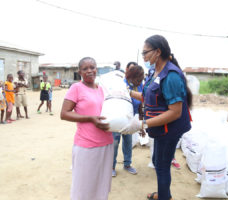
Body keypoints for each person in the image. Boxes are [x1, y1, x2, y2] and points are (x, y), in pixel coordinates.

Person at [121, 35, 192, 200]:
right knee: (158, 161)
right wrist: (128, 93)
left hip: (170, 129)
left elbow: (175, 112)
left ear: (158, 52)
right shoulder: (154, 72)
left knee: (161, 166)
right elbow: (148, 96)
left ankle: (164, 197)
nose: (143, 57)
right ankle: (163, 194)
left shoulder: (171, 76)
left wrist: (142, 124)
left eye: (146, 53)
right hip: (159, 127)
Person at [60, 57, 114, 200]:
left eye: (92, 67)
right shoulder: (76, 88)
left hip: (107, 143)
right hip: (87, 145)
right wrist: (90, 118)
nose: (90, 71)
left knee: (101, 186)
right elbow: (64, 114)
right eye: (85, 69)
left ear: (97, 69)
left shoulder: (102, 90)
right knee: (84, 188)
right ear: (80, 72)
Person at [112, 62, 143, 177]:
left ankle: (127, 164)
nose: (140, 82)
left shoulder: (140, 86)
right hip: (118, 117)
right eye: (138, 79)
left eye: (141, 80)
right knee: (115, 143)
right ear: (131, 76)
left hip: (130, 119)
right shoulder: (121, 84)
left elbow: (140, 103)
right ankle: (112, 167)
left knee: (128, 142)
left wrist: (140, 118)